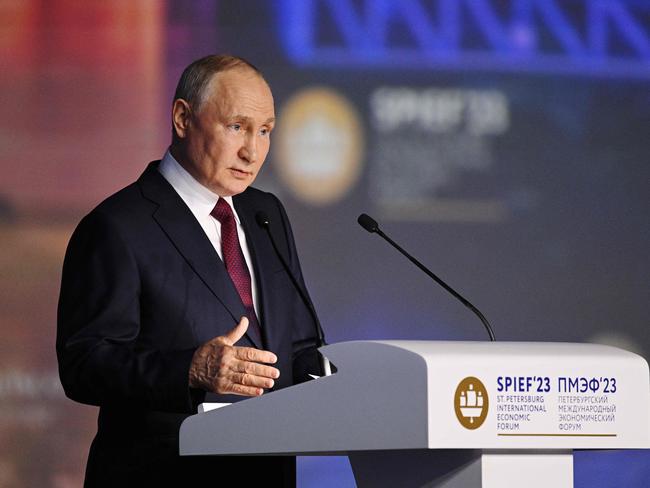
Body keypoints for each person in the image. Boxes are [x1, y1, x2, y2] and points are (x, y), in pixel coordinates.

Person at [56, 54, 324, 487]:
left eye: (265, 131)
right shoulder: (117, 226)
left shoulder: (265, 213)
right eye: (236, 127)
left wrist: (347, 378)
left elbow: (299, 341)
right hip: (162, 474)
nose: (251, 150)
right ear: (183, 118)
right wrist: (189, 370)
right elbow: (84, 364)